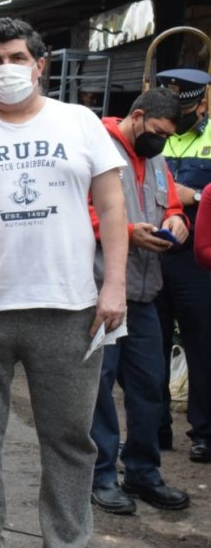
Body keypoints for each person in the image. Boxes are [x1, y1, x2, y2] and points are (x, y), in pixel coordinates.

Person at [0, 17, 128, 547]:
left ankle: (67, 540)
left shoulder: (79, 122)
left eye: (16, 58)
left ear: (39, 66)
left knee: (70, 443)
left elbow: (112, 206)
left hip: (68, 311)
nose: (5, 68)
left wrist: (114, 287)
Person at [89, 87, 191, 514]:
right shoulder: (96, 147)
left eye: (167, 137)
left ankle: (144, 473)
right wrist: (127, 232)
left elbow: (170, 204)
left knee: (150, 386)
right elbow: (77, 211)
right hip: (100, 291)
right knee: (98, 389)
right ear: (138, 116)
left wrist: (176, 220)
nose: (161, 142)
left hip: (146, 294)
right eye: (158, 133)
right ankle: (101, 476)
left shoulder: (156, 160)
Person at [155, 67, 211, 464]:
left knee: (202, 345)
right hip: (153, 252)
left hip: (197, 259)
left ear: (201, 103)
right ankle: (154, 428)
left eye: (184, 108)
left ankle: (204, 432)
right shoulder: (156, 134)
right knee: (149, 347)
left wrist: (196, 197)